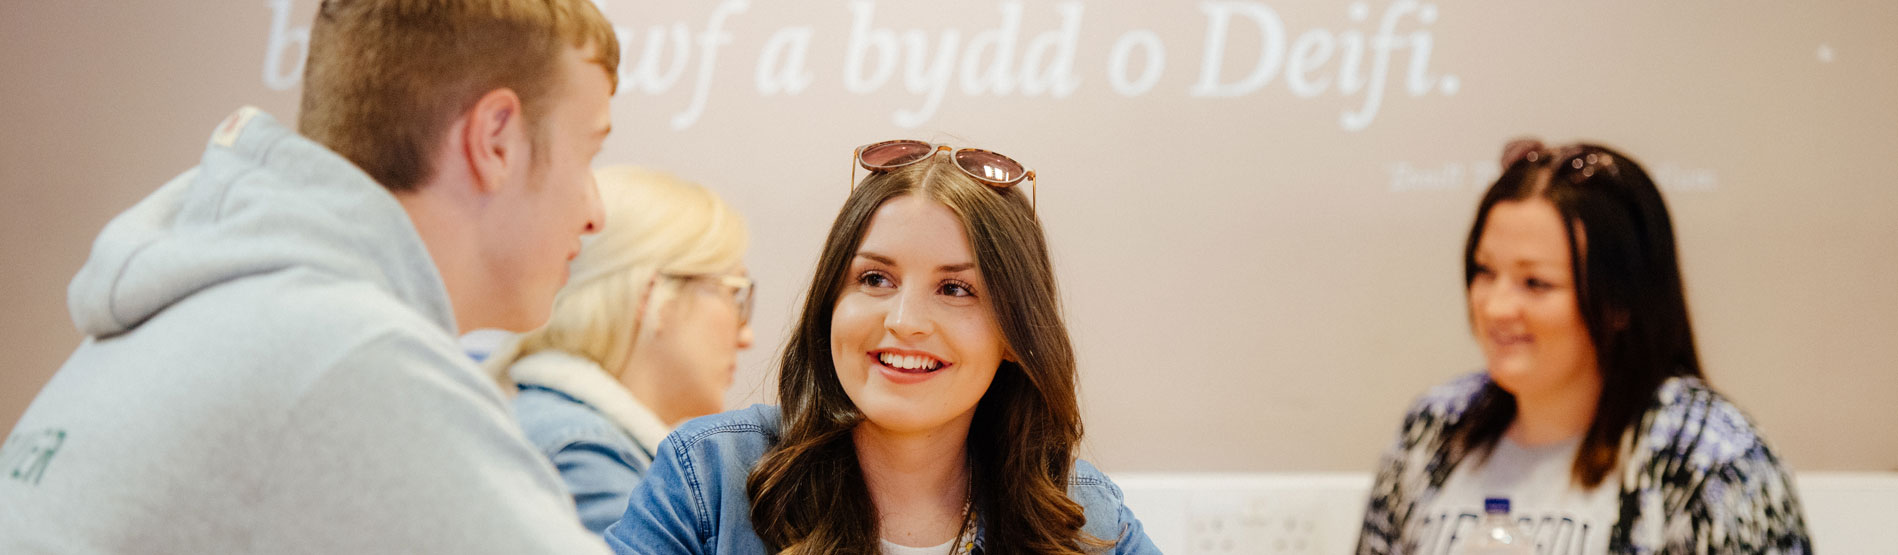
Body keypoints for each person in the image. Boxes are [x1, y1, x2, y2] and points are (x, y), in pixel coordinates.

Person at [0, 1, 622, 552]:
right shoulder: (357, 356)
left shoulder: (222, 306)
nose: (595, 214)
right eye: (589, 153)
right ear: (495, 140)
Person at [606, 140, 1159, 554]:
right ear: (831, 300)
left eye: (956, 289)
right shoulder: (710, 476)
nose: (905, 321)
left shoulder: (1084, 516)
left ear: (1016, 334)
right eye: (874, 279)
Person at [1355, 140, 1812, 554]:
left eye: (1535, 283)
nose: (1495, 307)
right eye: (1484, 272)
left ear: (1619, 302)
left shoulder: (1706, 452)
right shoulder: (1436, 426)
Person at [487, 166, 755, 534]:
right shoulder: (583, 456)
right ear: (654, 297)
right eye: (733, 294)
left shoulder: (540, 425)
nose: (747, 336)